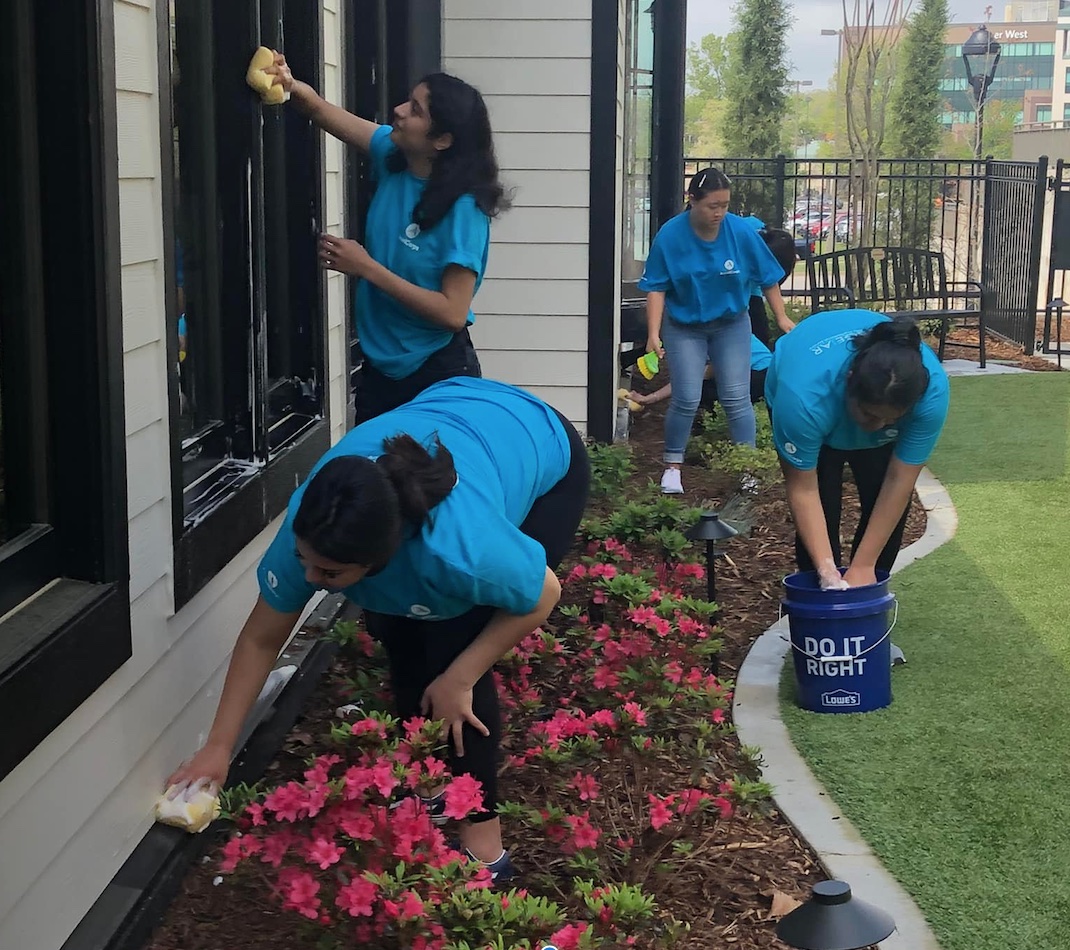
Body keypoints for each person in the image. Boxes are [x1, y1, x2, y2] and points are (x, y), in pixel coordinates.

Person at [167, 377, 590, 882]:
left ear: (383, 557)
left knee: (457, 654)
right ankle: (430, 790)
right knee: (402, 635)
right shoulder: (314, 525)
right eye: (305, 563)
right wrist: (218, 746)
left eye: (328, 575)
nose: (309, 580)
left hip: (538, 443)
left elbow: (544, 595)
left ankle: (486, 852)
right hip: (453, 406)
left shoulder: (460, 549)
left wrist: (458, 679)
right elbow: (261, 637)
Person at [266, 53, 508, 422]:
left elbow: (453, 313)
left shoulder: (464, 210)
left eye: (415, 109)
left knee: (428, 480)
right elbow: (318, 110)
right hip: (380, 371)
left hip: (436, 373)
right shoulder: (394, 155)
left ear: (442, 140)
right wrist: (289, 82)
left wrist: (366, 267)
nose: (398, 110)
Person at [764, 310, 950, 590]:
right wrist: (827, 570)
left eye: (892, 418)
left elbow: (899, 481)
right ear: (849, 381)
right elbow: (803, 489)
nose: (878, 426)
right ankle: (820, 594)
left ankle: (871, 590)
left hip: (849, 405)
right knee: (823, 507)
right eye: (870, 415)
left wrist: (865, 566)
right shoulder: (802, 399)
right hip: (815, 400)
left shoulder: (930, 393)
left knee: (881, 500)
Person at [639, 167, 795, 495]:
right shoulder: (670, 236)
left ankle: (747, 470)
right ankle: (672, 468)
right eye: (713, 205)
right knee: (686, 397)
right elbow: (656, 287)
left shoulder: (739, 232)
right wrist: (653, 333)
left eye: (725, 204)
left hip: (731, 324)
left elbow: (768, 278)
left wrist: (781, 318)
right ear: (692, 200)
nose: (719, 212)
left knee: (736, 397)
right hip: (684, 327)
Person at [628, 333, 773, 409]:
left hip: (760, 376)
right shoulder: (728, 332)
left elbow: (695, 376)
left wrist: (651, 398)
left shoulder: (719, 341)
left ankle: (715, 430)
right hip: (768, 374)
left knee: (701, 389)